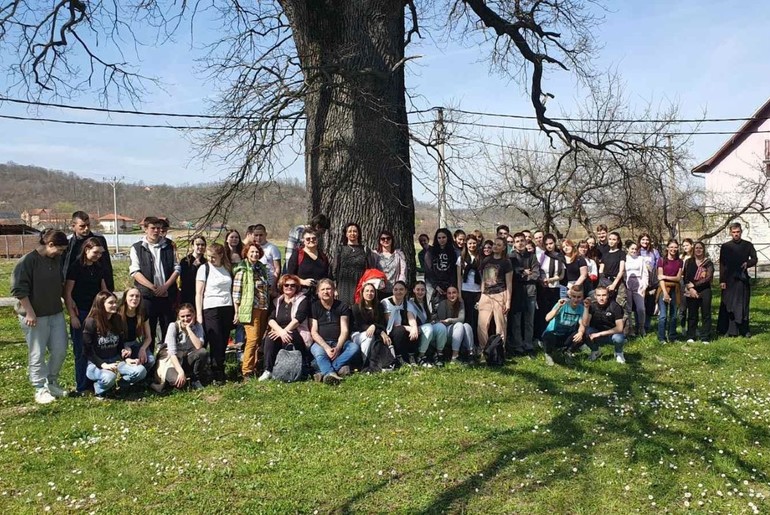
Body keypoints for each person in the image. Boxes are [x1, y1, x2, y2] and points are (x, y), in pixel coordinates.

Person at [11, 229, 70, 404]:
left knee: (60, 350)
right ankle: (39, 388)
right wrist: (29, 312)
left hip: (55, 312)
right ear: (49, 244)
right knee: (37, 353)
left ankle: (51, 382)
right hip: (35, 316)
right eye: (59, 249)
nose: (61, 253)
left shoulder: (56, 259)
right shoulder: (28, 261)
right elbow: (19, 290)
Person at [63, 237, 109, 395]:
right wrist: (72, 315)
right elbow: (67, 292)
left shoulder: (99, 267)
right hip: (80, 312)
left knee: (96, 348)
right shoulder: (75, 267)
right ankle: (82, 385)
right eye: (95, 252)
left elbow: (103, 290)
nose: (98, 256)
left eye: (100, 253)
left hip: (96, 312)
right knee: (81, 349)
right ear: (86, 250)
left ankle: (96, 382)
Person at [83, 291, 147, 399]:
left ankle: (117, 387)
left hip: (115, 360)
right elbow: (87, 350)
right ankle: (99, 389)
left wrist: (126, 358)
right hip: (95, 363)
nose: (115, 305)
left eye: (115, 302)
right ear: (101, 305)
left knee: (140, 371)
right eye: (111, 303)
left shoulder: (116, 319)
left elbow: (120, 343)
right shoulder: (90, 322)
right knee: (109, 377)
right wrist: (103, 365)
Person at [129, 216, 180, 344]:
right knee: (149, 332)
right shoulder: (137, 247)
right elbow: (135, 272)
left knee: (169, 331)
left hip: (167, 295)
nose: (156, 231)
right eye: (153, 228)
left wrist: (166, 286)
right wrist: (153, 287)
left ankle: (168, 360)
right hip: (148, 296)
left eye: (158, 228)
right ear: (145, 229)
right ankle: (149, 360)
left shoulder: (169, 245)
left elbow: (177, 268)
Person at [259, 274, 311, 381]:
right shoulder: (277, 301)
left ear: (297, 287)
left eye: (293, 285)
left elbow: (298, 319)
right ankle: (268, 370)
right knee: (270, 338)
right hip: (279, 330)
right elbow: (271, 318)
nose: (289, 287)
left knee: (290, 337)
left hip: (296, 330)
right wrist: (280, 331)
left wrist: (284, 331)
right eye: (286, 285)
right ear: (282, 286)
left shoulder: (302, 300)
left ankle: (296, 369)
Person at [195, 242, 234, 382]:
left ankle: (219, 366)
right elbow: (198, 293)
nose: (211, 259)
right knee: (215, 339)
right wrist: (199, 314)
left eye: (213, 257)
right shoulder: (204, 269)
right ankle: (215, 371)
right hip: (211, 307)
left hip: (227, 306)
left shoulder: (227, 268)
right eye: (209, 256)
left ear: (221, 255)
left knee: (224, 340)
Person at [309, 279, 360, 384]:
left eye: (328, 289)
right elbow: (314, 332)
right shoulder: (314, 306)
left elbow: (344, 330)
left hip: (339, 342)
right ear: (318, 292)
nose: (325, 292)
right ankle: (331, 372)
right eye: (322, 289)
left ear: (334, 291)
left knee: (354, 348)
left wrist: (338, 348)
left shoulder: (342, 306)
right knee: (318, 352)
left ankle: (326, 371)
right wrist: (326, 347)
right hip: (321, 343)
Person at [233, 242, 272, 381]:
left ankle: (254, 366)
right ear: (247, 253)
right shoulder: (242, 269)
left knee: (259, 339)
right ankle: (246, 371)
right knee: (252, 339)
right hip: (250, 309)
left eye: (257, 252)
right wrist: (237, 311)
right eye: (252, 252)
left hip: (263, 307)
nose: (255, 254)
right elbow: (236, 293)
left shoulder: (261, 269)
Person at [152, 304, 208, 392]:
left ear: (194, 315)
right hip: (172, 361)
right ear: (178, 317)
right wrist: (180, 372)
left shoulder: (198, 326)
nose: (186, 319)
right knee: (176, 381)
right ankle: (172, 381)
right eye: (183, 316)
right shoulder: (173, 326)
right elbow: (172, 353)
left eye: (188, 315)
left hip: (187, 358)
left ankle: (195, 379)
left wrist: (189, 329)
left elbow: (198, 346)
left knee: (203, 352)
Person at [718, 222, 757, 337]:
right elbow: (722, 264)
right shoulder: (725, 246)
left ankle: (744, 330)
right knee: (729, 305)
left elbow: (755, 259)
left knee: (742, 304)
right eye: (733, 232)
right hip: (729, 280)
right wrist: (722, 281)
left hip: (742, 279)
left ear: (741, 232)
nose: (736, 234)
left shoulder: (748, 245)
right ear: (730, 233)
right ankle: (729, 330)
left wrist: (747, 263)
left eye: (738, 232)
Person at [61, 211, 114, 291]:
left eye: (88, 225)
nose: (86, 228)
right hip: (75, 285)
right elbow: (65, 265)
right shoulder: (69, 242)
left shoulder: (99, 239)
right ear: (73, 226)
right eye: (82, 226)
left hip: (97, 283)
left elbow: (106, 263)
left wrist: (109, 287)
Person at [477, 237, 513, 352]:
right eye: (494, 244)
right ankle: (484, 351)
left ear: (503, 248)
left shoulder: (506, 262)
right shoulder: (486, 260)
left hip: (500, 294)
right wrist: (482, 294)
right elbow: (483, 278)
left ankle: (499, 352)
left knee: (500, 326)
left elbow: (509, 283)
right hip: (486, 295)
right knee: (482, 325)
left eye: (498, 245)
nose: (495, 247)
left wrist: (508, 301)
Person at [541, 285, 588, 366]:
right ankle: (548, 354)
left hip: (566, 335)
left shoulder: (581, 308)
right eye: (574, 296)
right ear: (570, 296)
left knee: (583, 334)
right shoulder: (563, 304)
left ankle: (568, 352)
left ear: (582, 297)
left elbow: (583, 324)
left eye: (579, 297)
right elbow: (547, 318)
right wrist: (558, 307)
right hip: (554, 334)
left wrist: (580, 332)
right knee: (548, 335)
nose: (576, 299)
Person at [509, 232, 539, 355]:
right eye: (517, 241)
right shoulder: (511, 257)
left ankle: (528, 344)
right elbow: (513, 275)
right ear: (514, 244)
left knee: (529, 320)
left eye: (522, 240)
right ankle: (518, 345)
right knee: (516, 320)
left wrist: (522, 275)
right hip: (516, 292)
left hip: (530, 291)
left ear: (526, 242)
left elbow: (536, 274)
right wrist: (524, 272)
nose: (520, 243)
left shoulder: (532, 256)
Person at [333, 222, 376, 306]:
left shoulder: (365, 250)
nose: (352, 233)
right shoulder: (340, 249)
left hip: (360, 284)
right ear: (346, 234)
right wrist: (335, 288)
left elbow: (370, 270)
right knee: (344, 309)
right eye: (349, 231)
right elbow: (335, 269)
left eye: (355, 231)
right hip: (343, 285)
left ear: (358, 233)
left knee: (358, 309)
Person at [580, 286, 626, 363]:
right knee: (584, 331)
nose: (601, 298)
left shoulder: (615, 306)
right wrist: (586, 308)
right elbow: (585, 324)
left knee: (619, 338)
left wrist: (599, 334)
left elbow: (619, 328)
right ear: (595, 296)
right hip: (596, 333)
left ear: (608, 295)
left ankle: (619, 353)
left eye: (604, 295)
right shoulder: (592, 306)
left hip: (612, 335)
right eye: (599, 295)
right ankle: (595, 351)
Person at [117, 287, 155, 376]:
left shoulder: (142, 313)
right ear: (125, 298)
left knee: (150, 360)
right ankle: (127, 377)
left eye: (137, 296)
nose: (134, 298)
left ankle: (139, 378)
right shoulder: (118, 313)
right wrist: (124, 347)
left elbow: (148, 337)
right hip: (119, 345)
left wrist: (143, 349)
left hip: (134, 343)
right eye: (131, 296)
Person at [409, 281, 448, 367]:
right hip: (417, 329)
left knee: (441, 327)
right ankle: (420, 356)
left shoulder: (427, 302)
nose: (420, 292)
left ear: (425, 291)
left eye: (422, 290)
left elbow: (430, 318)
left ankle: (439, 354)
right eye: (418, 290)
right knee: (429, 328)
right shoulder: (410, 303)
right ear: (414, 290)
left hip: (427, 327)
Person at [381, 281, 420, 365]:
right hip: (389, 330)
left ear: (405, 291)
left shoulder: (407, 303)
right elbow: (390, 323)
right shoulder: (386, 303)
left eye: (401, 289)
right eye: (396, 289)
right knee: (400, 330)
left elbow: (411, 319)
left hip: (401, 328)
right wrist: (407, 327)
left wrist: (414, 328)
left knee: (415, 330)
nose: (398, 292)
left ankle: (411, 355)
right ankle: (399, 357)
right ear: (393, 291)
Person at [684, 241, 714, 343]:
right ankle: (691, 336)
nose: (698, 250)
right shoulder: (688, 262)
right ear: (694, 249)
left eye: (700, 248)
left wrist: (695, 285)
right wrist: (691, 288)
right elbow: (685, 276)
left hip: (705, 290)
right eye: (696, 248)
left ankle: (705, 337)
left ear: (703, 249)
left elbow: (708, 277)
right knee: (692, 314)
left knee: (706, 314)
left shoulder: (708, 263)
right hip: (691, 291)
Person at [536, 234, 565, 339]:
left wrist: (552, 279)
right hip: (543, 288)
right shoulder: (541, 256)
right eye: (547, 244)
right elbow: (537, 272)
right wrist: (541, 280)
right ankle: (541, 336)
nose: (549, 246)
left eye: (551, 243)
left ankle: (553, 336)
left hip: (555, 287)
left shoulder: (560, 256)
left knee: (555, 312)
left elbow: (562, 275)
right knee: (543, 312)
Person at [352, 283, 390, 361]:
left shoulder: (379, 306)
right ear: (362, 293)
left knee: (377, 338)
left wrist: (375, 326)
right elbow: (360, 325)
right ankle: (364, 362)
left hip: (374, 332)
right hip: (357, 334)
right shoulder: (356, 307)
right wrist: (378, 330)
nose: (369, 293)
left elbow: (382, 324)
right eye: (367, 291)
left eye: (372, 291)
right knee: (369, 337)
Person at [436, 286, 474, 363]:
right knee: (459, 325)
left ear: (458, 294)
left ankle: (471, 353)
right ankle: (454, 356)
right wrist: (453, 323)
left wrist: (450, 320)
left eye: (454, 292)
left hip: (458, 330)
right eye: (449, 293)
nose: (451, 295)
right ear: (446, 294)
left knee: (466, 325)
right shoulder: (443, 304)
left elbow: (462, 319)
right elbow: (443, 322)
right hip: (446, 332)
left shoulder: (460, 303)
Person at [286, 229, 330, 296]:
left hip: (320, 294)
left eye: (314, 238)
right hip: (301, 293)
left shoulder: (323, 256)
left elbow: (326, 276)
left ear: (318, 239)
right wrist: (302, 282)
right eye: (308, 239)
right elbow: (290, 275)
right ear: (303, 241)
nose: (311, 240)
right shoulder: (298, 254)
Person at [424, 228, 458, 310]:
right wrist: (436, 286)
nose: (441, 240)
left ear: (448, 238)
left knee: (449, 309)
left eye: (443, 237)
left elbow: (454, 270)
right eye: (439, 238)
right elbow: (428, 271)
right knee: (434, 308)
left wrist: (451, 286)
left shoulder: (453, 252)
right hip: (434, 286)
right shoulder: (430, 252)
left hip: (448, 285)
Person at [656, 239, 683, 343]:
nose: (673, 249)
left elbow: (678, 278)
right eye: (671, 247)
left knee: (674, 315)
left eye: (675, 247)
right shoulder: (661, 260)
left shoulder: (680, 262)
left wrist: (665, 276)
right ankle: (661, 338)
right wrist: (665, 293)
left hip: (675, 289)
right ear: (667, 248)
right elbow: (660, 278)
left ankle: (672, 336)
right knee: (663, 315)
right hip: (664, 288)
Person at [598, 231, 627, 326]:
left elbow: (621, 270)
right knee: (607, 305)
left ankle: (623, 330)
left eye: (614, 239)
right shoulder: (605, 254)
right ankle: (608, 327)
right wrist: (604, 283)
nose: (611, 241)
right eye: (610, 239)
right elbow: (601, 270)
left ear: (618, 241)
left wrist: (614, 284)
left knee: (620, 305)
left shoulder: (621, 253)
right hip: (606, 282)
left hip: (618, 283)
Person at [457, 233, 482, 343]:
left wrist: (483, 293)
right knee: (466, 319)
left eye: (474, 243)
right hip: (465, 291)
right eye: (470, 243)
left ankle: (476, 343)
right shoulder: (461, 258)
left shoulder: (480, 258)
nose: (472, 245)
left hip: (477, 291)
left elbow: (483, 277)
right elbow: (459, 278)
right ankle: (466, 343)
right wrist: (459, 294)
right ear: (466, 244)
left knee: (476, 318)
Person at [624, 241, 648, 337]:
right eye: (632, 249)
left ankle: (641, 327)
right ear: (627, 249)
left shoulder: (640, 259)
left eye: (635, 249)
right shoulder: (624, 259)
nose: (634, 251)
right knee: (628, 308)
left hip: (639, 283)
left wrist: (644, 286)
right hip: (627, 284)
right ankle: (630, 328)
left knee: (641, 308)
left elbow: (645, 273)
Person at [247, 224, 282, 289]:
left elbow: (277, 268)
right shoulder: (251, 248)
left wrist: (274, 286)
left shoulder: (272, 248)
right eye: (256, 235)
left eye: (261, 235)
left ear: (265, 234)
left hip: (269, 283)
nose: (258, 238)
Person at [638, 233, 660, 334]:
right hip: (640, 281)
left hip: (652, 281)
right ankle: (639, 326)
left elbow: (658, 265)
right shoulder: (636, 251)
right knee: (639, 305)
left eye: (647, 240)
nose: (645, 242)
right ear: (639, 241)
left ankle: (646, 325)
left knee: (649, 304)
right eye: (643, 240)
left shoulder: (654, 252)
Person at [375, 230, 407, 295]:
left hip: (395, 290)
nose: (386, 240)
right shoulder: (375, 255)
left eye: (388, 238)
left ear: (392, 240)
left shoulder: (399, 254)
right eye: (383, 239)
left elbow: (403, 272)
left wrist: (400, 285)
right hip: (378, 289)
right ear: (379, 241)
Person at [179, 236, 207, 306]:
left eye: (202, 245)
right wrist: (193, 267)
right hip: (188, 295)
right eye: (197, 244)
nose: (200, 247)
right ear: (192, 246)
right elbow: (184, 279)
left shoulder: (206, 262)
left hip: (203, 295)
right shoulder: (185, 261)